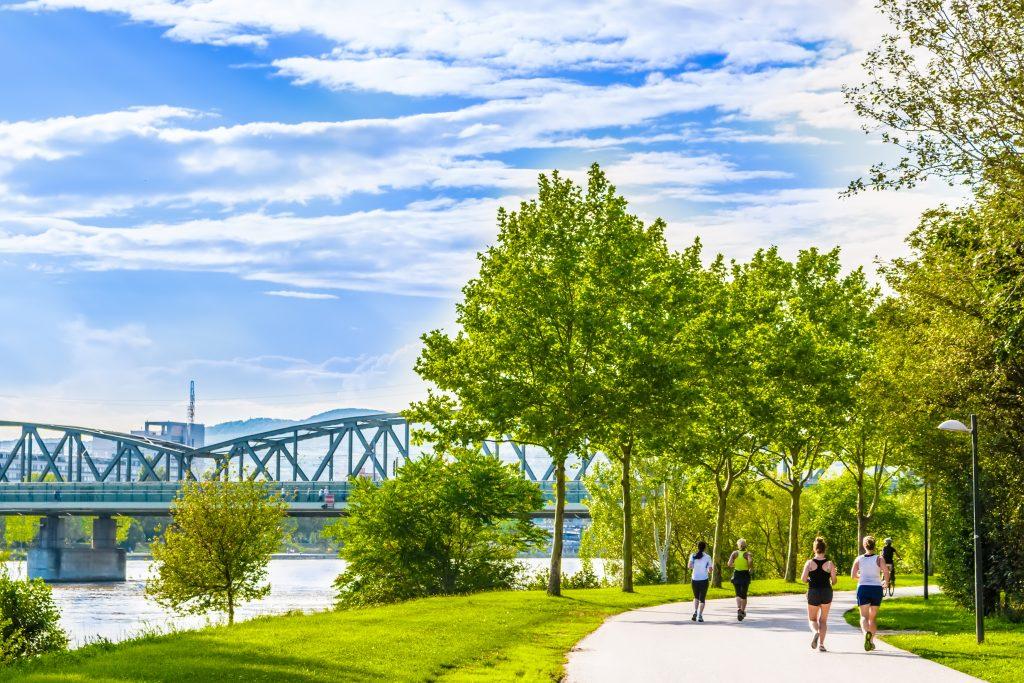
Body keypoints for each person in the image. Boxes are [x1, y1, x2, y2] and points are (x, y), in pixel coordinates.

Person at [851, 535, 890, 651]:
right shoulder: (879, 558)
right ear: (874, 545)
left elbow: (853, 576)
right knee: (872, 618)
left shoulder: (859, 559)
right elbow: (886, 572)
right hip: (876, 588)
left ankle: (866, 634)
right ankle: (871, 641)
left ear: (864, 545)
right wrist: (886, 582)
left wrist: (861, 577)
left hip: (863, 588)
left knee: (863, 616)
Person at [800, 537, 837, 652]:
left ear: (814, 549)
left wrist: (809, 580)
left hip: (813, 592)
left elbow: (803, 579)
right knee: (823, 620)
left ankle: (816, 632)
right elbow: (834, 581)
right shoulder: (830, 564)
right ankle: (821, 644)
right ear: (824, 549)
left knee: (812, 619)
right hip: (826, 592)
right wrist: (831, 579)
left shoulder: (809, 563)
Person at [727, 538, 753, 621]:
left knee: (738, 593)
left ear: (738, 545)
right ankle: (742, 611)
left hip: (736, 574)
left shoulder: (735, 553)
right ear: (745, 545)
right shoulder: (747, 554)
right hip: (745, 574)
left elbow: (729, 564)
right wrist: (749, 567)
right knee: (744, 594)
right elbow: (750, 561)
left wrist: (736, 565)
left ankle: (739, 609)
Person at [688, 541, 713, 622]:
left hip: (694, 579)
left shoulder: (693, 555)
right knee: (702, 599)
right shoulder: (708, 557)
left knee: (696, 597)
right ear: (705, 548)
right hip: (704, 580)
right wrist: (708, 569)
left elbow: (690, 566)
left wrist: (695, 565)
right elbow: (710, 570)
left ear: (697, 547)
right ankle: (700, 615)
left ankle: (695, 611)